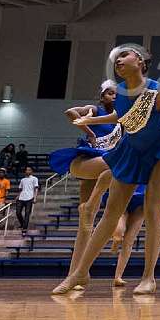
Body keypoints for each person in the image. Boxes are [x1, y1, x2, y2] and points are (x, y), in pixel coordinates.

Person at [52, 45, 160, 295]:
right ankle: (79, 274)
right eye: (117, 57)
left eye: (125, 55)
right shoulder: (121, 91)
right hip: (131, 150)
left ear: (140, 61)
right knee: (111, 214)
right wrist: (92, 120)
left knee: (153, 210)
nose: (118, 60)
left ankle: (149, 278)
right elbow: (121, 117)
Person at [49, 80, 121, 291]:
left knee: (86, 221)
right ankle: (77, 273)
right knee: (85, 221)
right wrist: (89, 131)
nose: (113, 97)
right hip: (91, 160)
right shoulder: (95, 109)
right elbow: (70, 112)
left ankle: (77, 273)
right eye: (109, 93)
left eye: (116, 94)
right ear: (102, 96)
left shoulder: (119, 119)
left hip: (104, 163)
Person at [15, 166, 38, 233]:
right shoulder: (22, 180)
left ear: (31, 171)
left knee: (27, 213)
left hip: (29, 198)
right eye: (26, 170)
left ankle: (24, 228)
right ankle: (22, 224)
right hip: (21, 197)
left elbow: (36, 189)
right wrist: (17, 196)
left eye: (29, 170)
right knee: (18, 212)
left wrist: (35, 198)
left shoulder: (34, 178)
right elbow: (20, 189)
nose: (28, 171)